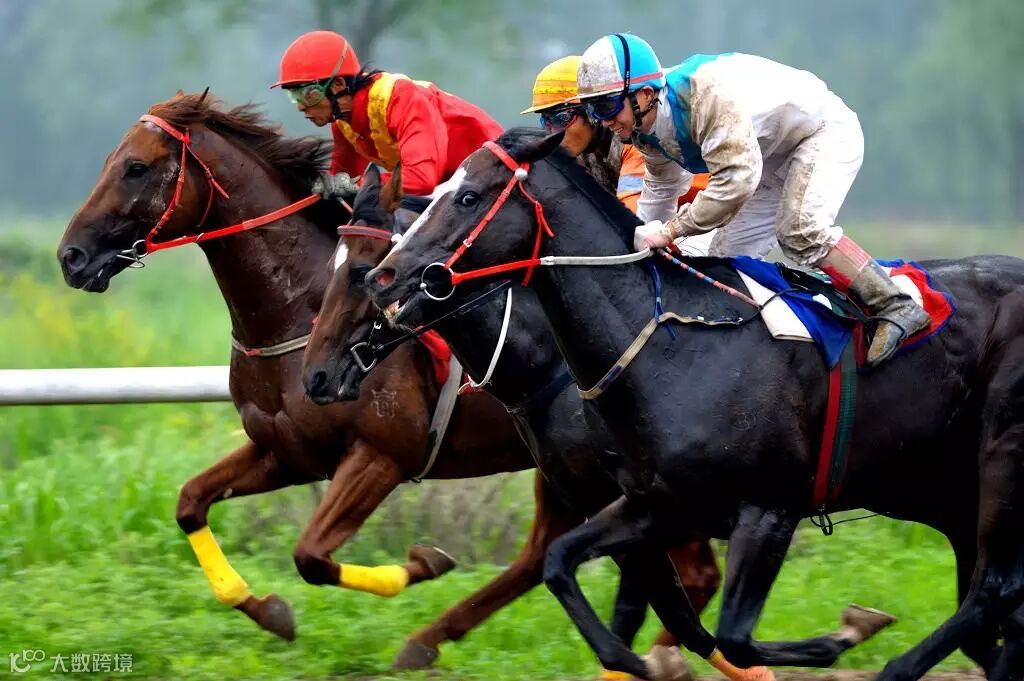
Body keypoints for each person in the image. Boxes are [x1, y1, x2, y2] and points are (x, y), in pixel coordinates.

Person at [576, 34, 930, 366]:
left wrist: (669, 232)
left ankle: (895, 305)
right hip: (765, 158)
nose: (603, 122)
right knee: (720, 262)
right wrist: (638, 245)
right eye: (594, 110)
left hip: (820, 133)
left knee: (799, 231)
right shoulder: (642, 129)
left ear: (644, 94)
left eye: (607, 106)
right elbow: (662, 190)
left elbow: (734, 183)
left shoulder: (703, 96)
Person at [272, 30, 503, 197]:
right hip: (455, 190)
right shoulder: (342, 120)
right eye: (294, 97)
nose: (300, 106)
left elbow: (420, 180)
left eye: (308, 95)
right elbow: (344, 180)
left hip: (499, 178)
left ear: (338, 84)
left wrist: (360, 187)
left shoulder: (399, 98)